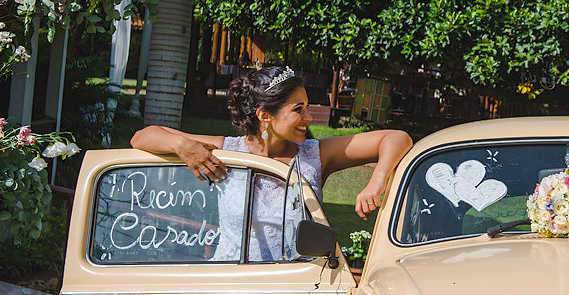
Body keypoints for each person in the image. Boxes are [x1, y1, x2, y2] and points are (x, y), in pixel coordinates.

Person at [131, 66, 412, 260]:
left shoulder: (316, 155)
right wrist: (183, 146)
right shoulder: (226, 151)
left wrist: (377, 181)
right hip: (228, 282)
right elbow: (142, 137)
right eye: (298, 110)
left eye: (307, 107)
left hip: (293, 284)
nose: (309, 118)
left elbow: (397, 138)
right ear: (265, 115)